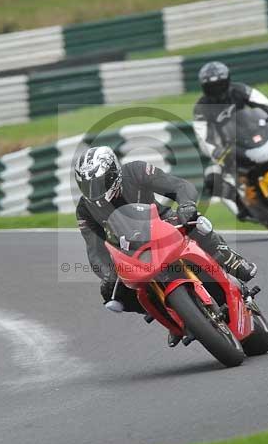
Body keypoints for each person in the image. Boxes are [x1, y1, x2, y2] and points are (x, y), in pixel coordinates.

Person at [74, 146, 258, 346]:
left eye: (99, 184)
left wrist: (186, 204)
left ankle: (231, 258)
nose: (95, 191)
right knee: (112, 292)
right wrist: (109, 274)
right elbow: (94, 249)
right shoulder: (85, 210)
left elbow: (179, 186)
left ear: (113, 173)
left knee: (195, 224)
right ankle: (171, 317)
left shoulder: (136, 171)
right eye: (88, 186)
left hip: (161, 223)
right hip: (130, 249)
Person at [192, 61, 268, 220]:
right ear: (204, 88)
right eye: (211, 87)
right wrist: (214, 150)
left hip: (254, 134)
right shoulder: (201, 107)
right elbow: (202, 134)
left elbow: (263, 102)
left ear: (227, 81)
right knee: (212, 177)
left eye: (219, 85)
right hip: (227, 148)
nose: (216, 90)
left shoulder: (240, 89)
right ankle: (242, 208)